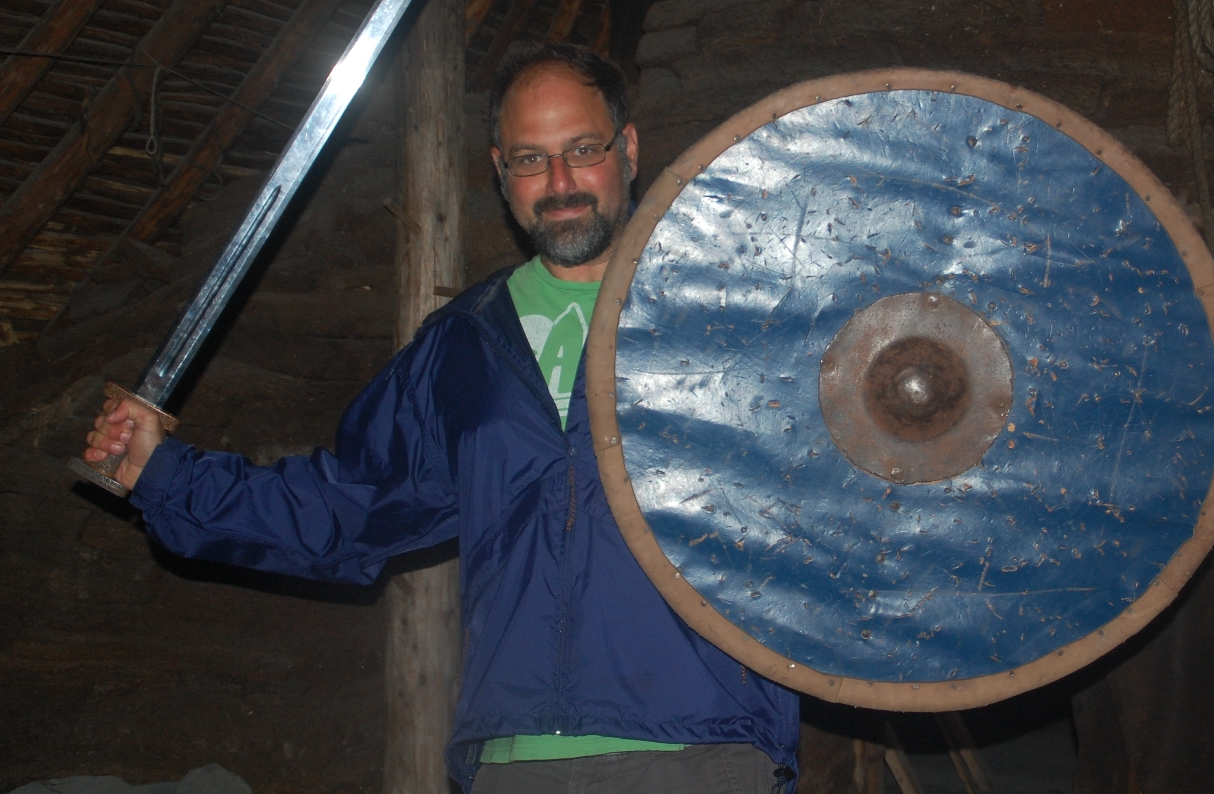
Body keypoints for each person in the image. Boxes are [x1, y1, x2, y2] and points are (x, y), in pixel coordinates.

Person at [83, 42, 801, 793]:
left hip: (703, 749)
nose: (560, 182)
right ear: (500, 170)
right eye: (530, 159)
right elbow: (346, 506)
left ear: (627, 149)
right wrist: (165, 474)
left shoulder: (726, 321)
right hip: (514, 763)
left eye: (582, 150)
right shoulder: (465, 344)